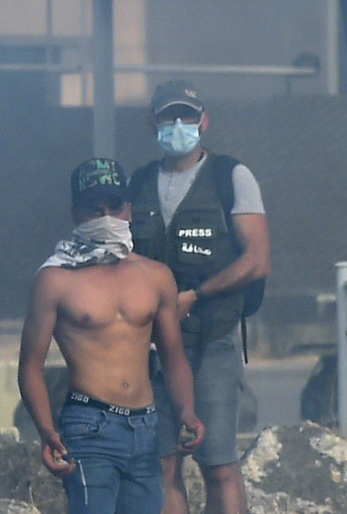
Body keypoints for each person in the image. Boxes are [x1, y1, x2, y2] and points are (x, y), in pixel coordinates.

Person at [18, 158, 205, 514]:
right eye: (94, 209)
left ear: (129, 209)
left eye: (114, 207)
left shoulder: (155, 276)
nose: (106, 217)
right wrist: (46, 430)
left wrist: (187, 411)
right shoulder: (56, 279)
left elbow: (173, 353)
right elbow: (30, 366)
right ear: (76, 214)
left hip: (146, 424)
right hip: (89, 425)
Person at [127, 80, 270, 514]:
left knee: (220, 465)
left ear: (203, 121)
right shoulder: (139, 183)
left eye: (186, 116)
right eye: (168, 116)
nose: (177, 125)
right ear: (151, 123)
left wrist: (196, 294)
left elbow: (257, 260)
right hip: (151, 348)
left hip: (212, 341)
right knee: (161, 464)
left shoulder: (231, 176)